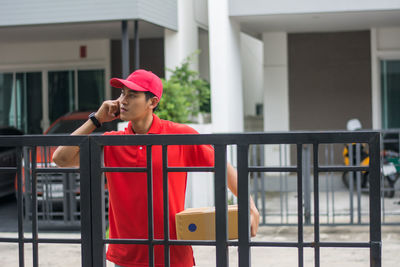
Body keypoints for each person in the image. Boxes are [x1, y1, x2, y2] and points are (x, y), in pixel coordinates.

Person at [52, 69, 260, 267]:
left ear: (153, 102)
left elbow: (223, 165)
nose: (123, 101)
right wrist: (96, 119)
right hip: (126, 256)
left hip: (172, 252)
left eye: (132, 95)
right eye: (122, 93)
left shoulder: (178, 135)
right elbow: (61, 158)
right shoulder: (111, 143)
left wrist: (250, 207)